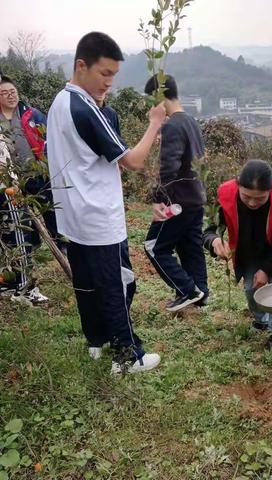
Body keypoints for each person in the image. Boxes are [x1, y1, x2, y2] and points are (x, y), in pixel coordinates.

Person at [47, 32, 167, 374]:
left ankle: (95, 343)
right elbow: (132, 161)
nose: (108, 83)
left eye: (113, 76)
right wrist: (154, 124)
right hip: (99, 216)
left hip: (73, 215)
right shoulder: (84, 106)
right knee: (117, 283)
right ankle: (128, 356)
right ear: (81, 66)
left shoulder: (60, 102)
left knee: (85, 282)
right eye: (104, 74)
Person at [203, 159, 272, 349]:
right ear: (237, 186)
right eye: (246, 196)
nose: (252, 202)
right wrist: (215, 240)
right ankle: (261, 321)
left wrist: (267, 269)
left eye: (260, 198)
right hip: (247, 249)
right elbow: (209, 229)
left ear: (270, 191)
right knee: (251, 289)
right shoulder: (226, 194)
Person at [143, 74, 208, 312]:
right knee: (190, 247)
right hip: (195, 198)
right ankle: (200, 296)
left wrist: (159, 199)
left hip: (177, 201)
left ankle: (187, 290)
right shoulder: (190, 120)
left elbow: (169, 167)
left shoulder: (171, 125)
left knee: (154, 246)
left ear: (158, 98)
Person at [0, 74, 54, 304]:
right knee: (16, 232)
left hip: (36, 177)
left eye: (12, 91)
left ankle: (15, 283)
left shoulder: (30, 114)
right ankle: (22, 288)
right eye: (4, 93)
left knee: (29, 229)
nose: (10, 96)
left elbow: (48, 138)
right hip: (10, 186)